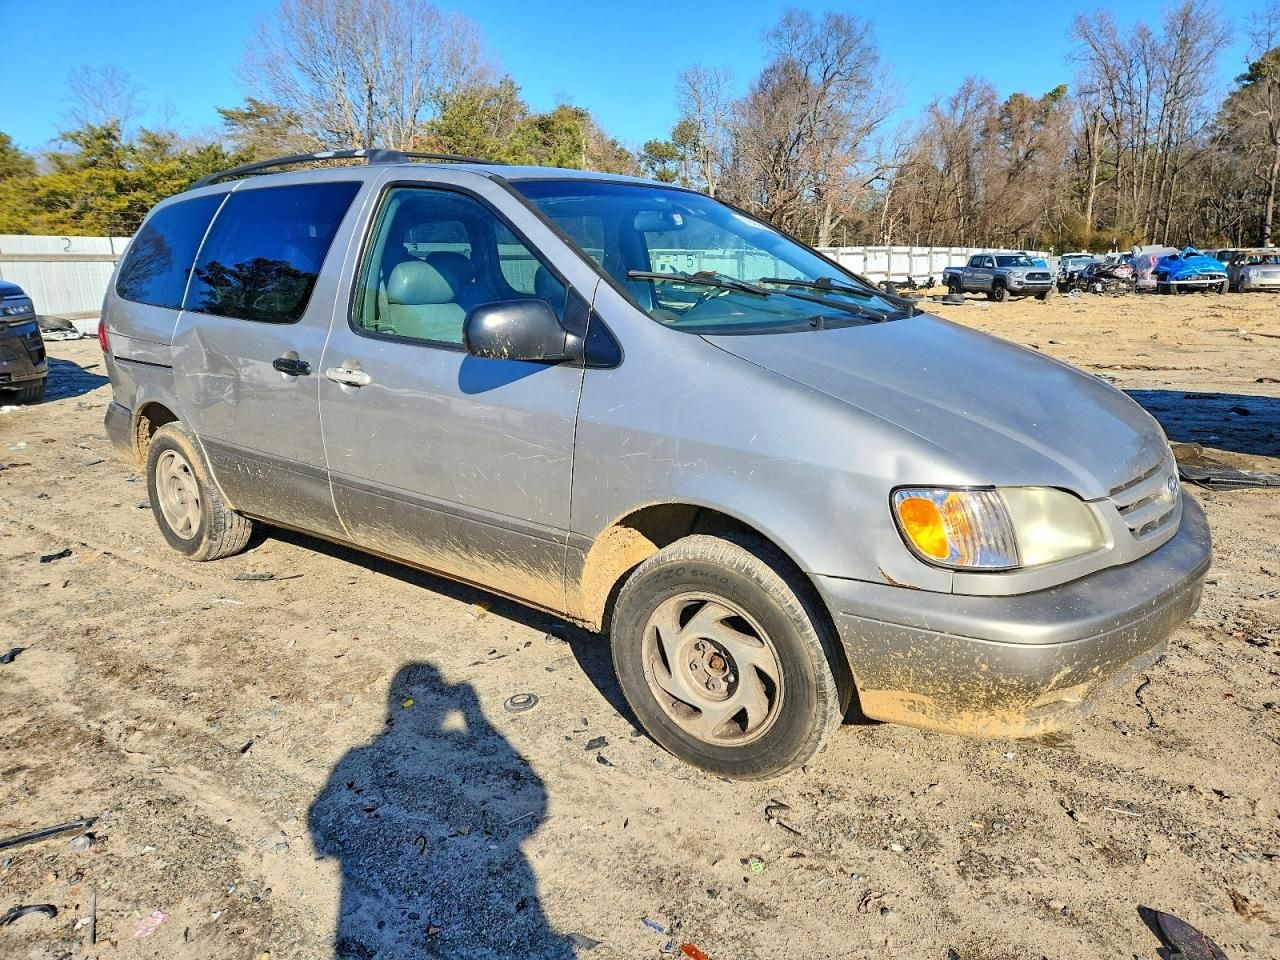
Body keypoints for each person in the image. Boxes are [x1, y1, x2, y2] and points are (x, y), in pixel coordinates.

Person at [309, 663, 571, 959]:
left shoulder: (363, 758)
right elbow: (536, 803)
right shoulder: (369, 760)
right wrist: (474, 714)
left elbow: (324, 836)